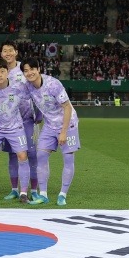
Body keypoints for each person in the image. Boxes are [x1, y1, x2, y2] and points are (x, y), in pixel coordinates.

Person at [22, 58, 80, 206]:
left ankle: (62, 195)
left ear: (38, 69)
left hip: (68, 124)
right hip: (49, 125)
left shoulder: (53, 84)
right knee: (41, 155)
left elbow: (67, 107)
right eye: (26, 71)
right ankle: (43, 195)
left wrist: (64, 132)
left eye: (32, 69)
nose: (29, 73)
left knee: (68, 158)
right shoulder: (28, 86)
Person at [0, 58, 31, 203]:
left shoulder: (19, 86)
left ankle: (23, 193)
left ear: (8, 72)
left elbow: (33, 96)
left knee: (22, 156)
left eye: (2, 71)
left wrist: (37, 117)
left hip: (15, 126)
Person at [0, 40, 40, 201]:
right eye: (5, 50)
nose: (8, 53)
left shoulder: (24, 69)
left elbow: (36, 89)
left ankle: (34, 189)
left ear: (16, 52)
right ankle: (14, 189)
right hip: (9, 120)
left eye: (11, 50)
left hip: (27, 118)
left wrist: (39, 114)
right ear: (1, 53)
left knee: (31, 153)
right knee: (12, 155)